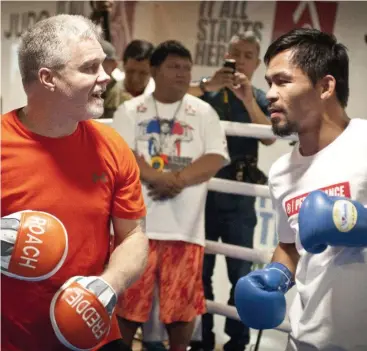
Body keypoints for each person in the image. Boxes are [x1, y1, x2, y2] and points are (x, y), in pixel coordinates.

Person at [1, 14, 149, 351]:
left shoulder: (112, 146)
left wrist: (108, 285)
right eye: (90, 67)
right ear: (48, 78)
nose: (106, 77)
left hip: (93, 334)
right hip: (14, 338)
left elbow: (135, 236)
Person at [234, 28, 367, 351]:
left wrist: (359, 224)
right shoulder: (282, 173)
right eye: (268, 83)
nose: (270, 94)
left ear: (325, 86)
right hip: (306, 338)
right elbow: (289, 245)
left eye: (283, 81)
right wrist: (276, 276)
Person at [112, 40, 230, 351]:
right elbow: (125, 155)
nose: (182, 73)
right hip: (136, 228)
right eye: (174, 67)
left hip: (185, 228)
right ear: (155, 69)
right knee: (128, 306)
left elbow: (214, 158)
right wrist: (158, 178)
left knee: (181, 309)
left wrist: (175, 179)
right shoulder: (129, 110)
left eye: (187, 68)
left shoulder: (204, 112)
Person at [189, 31, 275, 351]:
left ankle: (236, 344)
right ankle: (201, 339)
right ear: (226, 53)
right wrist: (208, 86)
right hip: (205, 191)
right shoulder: (207, 89)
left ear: (256, 63)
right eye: (234, 52)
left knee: (242, 274)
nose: (239, 59)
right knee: (201, 273)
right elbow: (174, 99)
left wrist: (248, 100)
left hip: (241, 194)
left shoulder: (261, 95)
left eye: (247, 55)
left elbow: (269, 136)